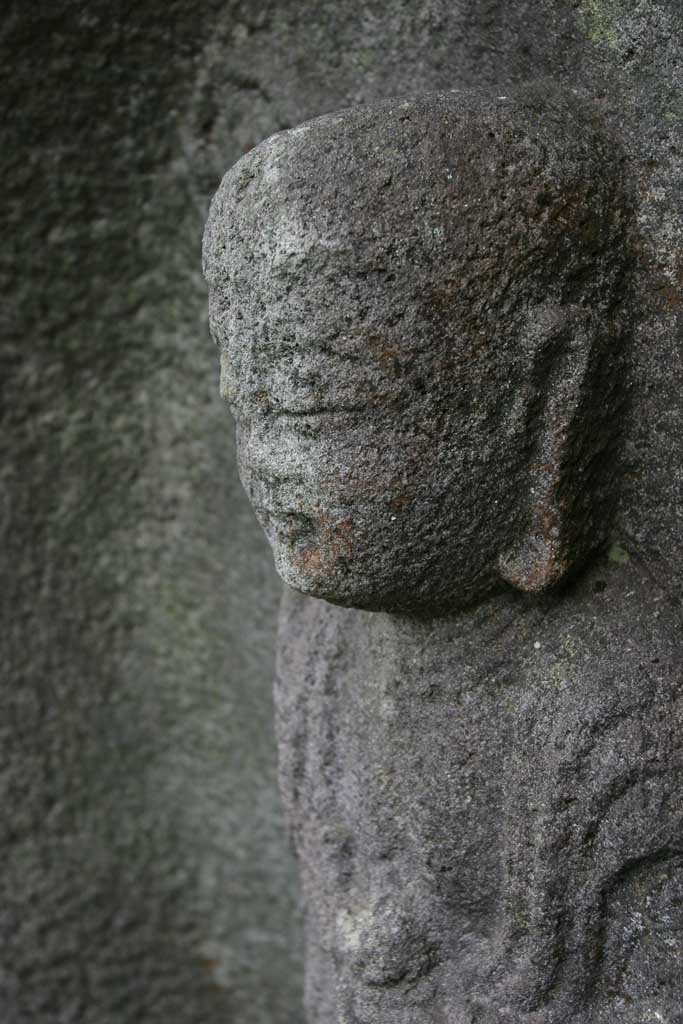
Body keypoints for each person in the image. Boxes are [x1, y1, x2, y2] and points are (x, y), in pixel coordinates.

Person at [204, 88, 683, 1022]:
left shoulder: (619, 725)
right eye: (245, 400)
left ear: (549, 394)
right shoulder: (320, 647)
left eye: (315, 399)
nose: (268, 466)